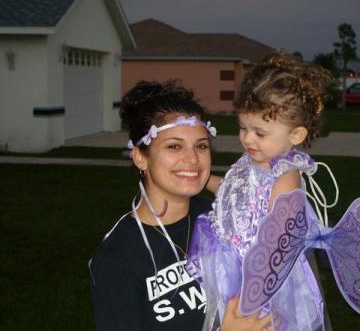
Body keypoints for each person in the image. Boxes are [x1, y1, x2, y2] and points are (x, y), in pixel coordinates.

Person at [89, 80, 272, 331]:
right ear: (141, 157)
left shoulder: (221, 218)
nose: (193, 159)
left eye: (201, 146)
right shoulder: (119, 258)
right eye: (174, 146)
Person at [189, 51, 333, 331]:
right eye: (243, 127)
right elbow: (235, 191)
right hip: (230, 260)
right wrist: (205, 180)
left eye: (259, 132)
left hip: (258, 274)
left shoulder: (285, 177)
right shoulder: (251, 160)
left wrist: (256, 290)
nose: (247, 138)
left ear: (296, 135)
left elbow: (279, 240)